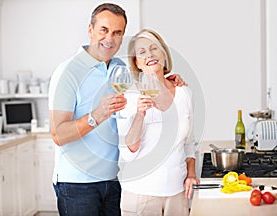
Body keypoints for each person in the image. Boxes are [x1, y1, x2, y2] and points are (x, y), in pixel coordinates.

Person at [49, 3, 186, 216]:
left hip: (113, 181)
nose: (109, 38)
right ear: (90, 30)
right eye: (104, 30)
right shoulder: (67, 71)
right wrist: (97, 115)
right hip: (77, 185)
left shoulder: (119, 70)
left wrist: (169, 79)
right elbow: (58, 134)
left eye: (117, 32)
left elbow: (147, 77)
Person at [117, 29, 200, 216]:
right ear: (136, 63)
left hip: (177, 194)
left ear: (164, 54)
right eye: (142, 52)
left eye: (154, 48)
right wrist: (139, 115)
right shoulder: (129, 97)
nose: (150, 55)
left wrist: (191, 174)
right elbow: (128, 153)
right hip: (140, 194)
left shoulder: (184, 93)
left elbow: (189, 143)